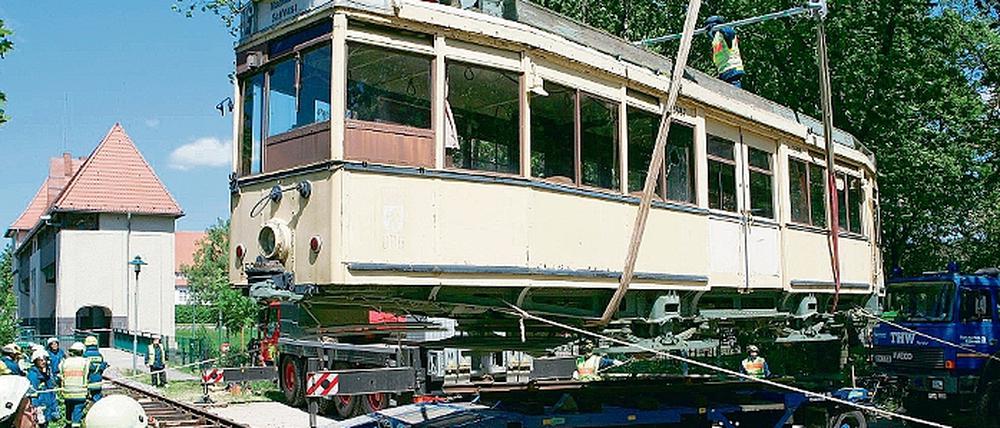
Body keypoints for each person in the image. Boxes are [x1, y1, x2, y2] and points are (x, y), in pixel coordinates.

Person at [705, 15, 745, 88]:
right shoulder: (716, 38)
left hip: (732, 68)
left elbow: (730, 33)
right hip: (723, 70)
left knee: (734, 91)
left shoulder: (725, 31)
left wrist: (719, 27)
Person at [60, 342, 90, 428]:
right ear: (82, 351)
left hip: (67, 393)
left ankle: (68, 425)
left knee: (68, 411)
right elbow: (89, 374)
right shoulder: (85, 362)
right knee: (77, 412)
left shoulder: (64, 362)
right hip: (80, 393)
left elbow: (61, 376)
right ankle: (75, 425)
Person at [26, 350, 59, 426]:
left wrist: (53, 407)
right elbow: (32, 393)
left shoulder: (46, 373)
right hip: (39, 407)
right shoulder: (33, 375)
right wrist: (36, 408)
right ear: (35, 361)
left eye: (45, 359)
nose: (43, 362)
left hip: (47, 405)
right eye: (40, 360)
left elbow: (51, 389)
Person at [82, 335, 108, 402]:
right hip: (98, 377)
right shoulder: (99, 355)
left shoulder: (85, 355)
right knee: (97, 393)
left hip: (89, 378)